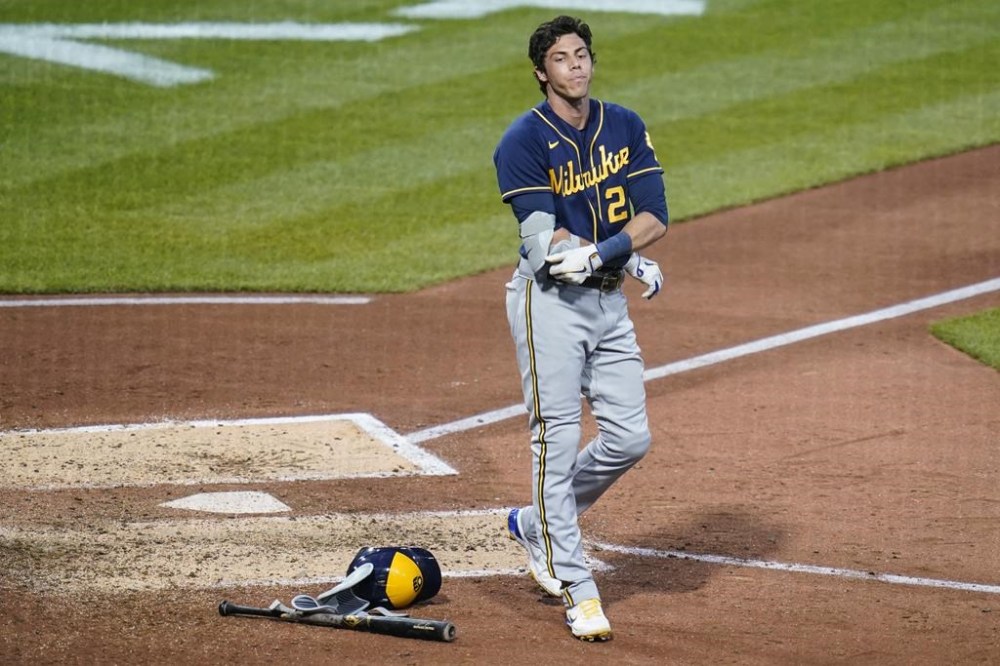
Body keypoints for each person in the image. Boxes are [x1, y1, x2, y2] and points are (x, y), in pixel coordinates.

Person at [493, 15, 669, 642]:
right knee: (555, 440)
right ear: (542, 72)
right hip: (550, 307)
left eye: (583, 55)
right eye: (562, 59)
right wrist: (602, 252)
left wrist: (615, 252)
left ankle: (539, 521)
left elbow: (657, 214)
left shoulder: (622, 123)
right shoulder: (521, 141)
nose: (577, 66)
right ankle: (578, 587)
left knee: (629, 439)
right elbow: (545, 244)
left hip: (609, 301)